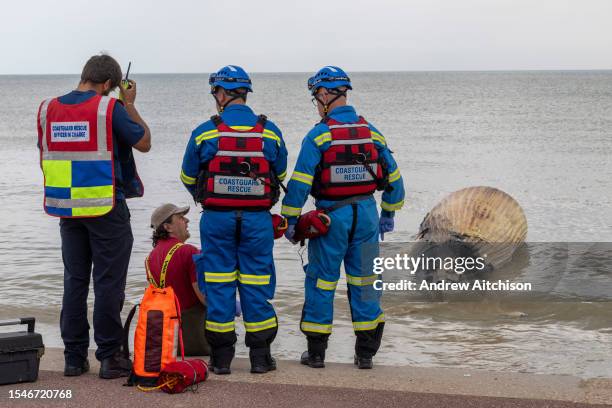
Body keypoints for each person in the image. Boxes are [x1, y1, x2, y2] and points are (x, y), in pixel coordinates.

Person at [281, 66, 405, 369]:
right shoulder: (372, 132)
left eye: (316, 97)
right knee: (365, 282)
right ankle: (365, 355)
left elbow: (299, 184)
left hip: (330, 218)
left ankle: (316, 354)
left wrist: (291, 219)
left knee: (322, 282)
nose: (317, 103)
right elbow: (396, 181)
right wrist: (388, 212)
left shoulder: (319, 135)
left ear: (325, 94)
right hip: (366, 214)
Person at [36, 54, 151, 379]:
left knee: (74, 281)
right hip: (105, 207)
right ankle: (110, 357)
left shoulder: (48, 109)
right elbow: (144, 142)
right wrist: (128, 103)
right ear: (106, 85)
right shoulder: (108, 107)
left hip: (66, 208)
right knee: (108, 283)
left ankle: (73, 358)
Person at [181, 65, 288, 375]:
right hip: (257, 221)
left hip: (216, 220)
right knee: (256, 284)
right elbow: (279, 175)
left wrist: (210, 194)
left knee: (218, 284)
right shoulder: (270, 131)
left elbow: (188, 176)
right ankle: (260, 358)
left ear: (222, 93)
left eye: (216, 92)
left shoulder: (204, 132)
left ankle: (221, 359)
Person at [147, 203, 210, 356]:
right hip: (194, 340)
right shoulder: (188, 252)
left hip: (167, 341)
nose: (187, 221)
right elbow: (204, 298)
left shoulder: (149, 258)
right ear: (167, 227)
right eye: (181, 218)